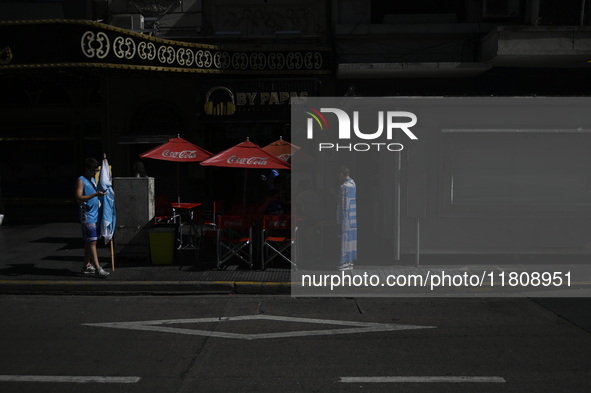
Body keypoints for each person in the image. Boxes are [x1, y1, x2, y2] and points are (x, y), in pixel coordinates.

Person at [75, 158, 109, 277]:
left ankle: (86, 266)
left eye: (96, 171)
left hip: (95, 214)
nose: (95, 173)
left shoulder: (93, 179)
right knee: (93, 242)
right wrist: (95, 194)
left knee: (90, 242)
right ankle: (98, 268)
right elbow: (79, 197)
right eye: (93, 171)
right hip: (87, 215)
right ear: (87, 169)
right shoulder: (81, 180)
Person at [336, 165, 357, 270]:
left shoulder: (344, 187)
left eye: (338, 176)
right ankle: (350, 260)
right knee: (351, 238)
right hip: (352, 216)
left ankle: (345, 261)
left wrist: (332, 194)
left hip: (345, 216)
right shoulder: (353, 184)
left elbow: (340, 201)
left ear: (341, 174)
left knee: (344, 238)